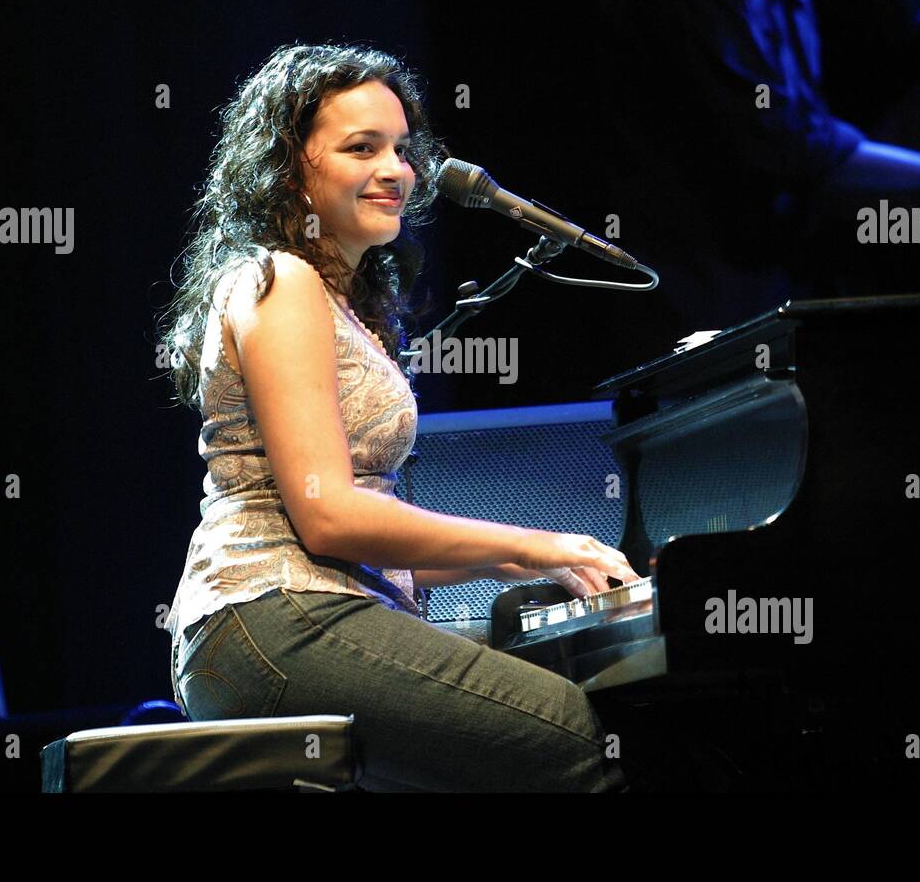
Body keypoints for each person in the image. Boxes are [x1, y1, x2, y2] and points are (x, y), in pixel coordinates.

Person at [156, 42, 639, 792]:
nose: (397, 170)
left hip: (297, 613)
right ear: (290, 167)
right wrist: (541, 541)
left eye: (402, 149)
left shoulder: (338, 301)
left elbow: (371, 541)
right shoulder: (279, 280)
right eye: (362, 148)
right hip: (273, 616)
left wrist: (531, 561)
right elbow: (329, 522)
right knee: (577, 739)